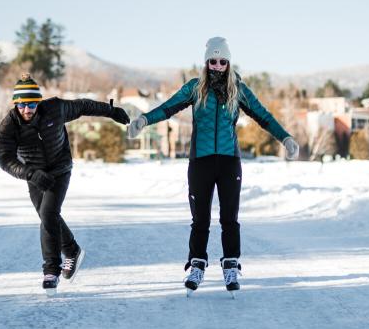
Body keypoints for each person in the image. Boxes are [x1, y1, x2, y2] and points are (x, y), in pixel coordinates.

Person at [128, 37, 300, 295]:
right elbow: (167, 109)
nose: (217, 65)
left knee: (230, 218)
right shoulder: (195, 88)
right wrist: (143, 120)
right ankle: (197, 264)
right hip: (201, 162)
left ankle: (230, 265)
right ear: (206, 62)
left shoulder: (238, 89)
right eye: (213, 60)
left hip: (230, 162)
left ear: (228, 63)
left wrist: (285, 137)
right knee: (200, 219)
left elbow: (264, 116)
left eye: (222, 61)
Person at [0, 74, 130, 294]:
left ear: (38, 102)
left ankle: (51, 271)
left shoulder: (55, 108)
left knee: (48, 213)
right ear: (16, 104)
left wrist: (111, 111)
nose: (27, 110)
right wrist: (30, 173)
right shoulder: (8, 126)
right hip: (35, 174)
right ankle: (72, 250)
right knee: (47, 215)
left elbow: (83, 105)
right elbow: (5, 160)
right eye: (22, 105)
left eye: (31, 104)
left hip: (60, 169)